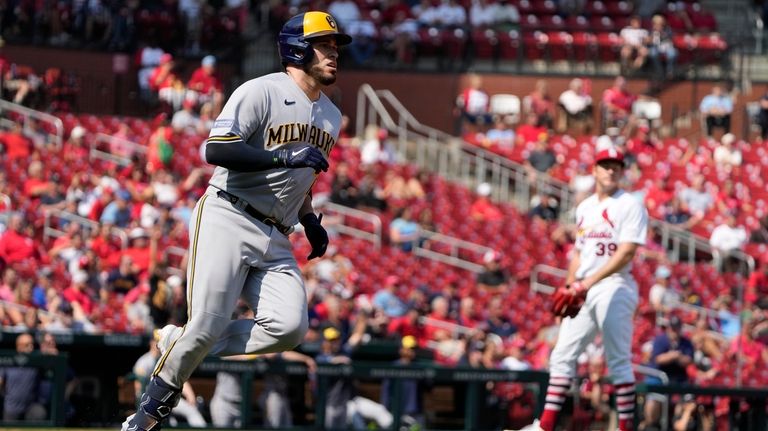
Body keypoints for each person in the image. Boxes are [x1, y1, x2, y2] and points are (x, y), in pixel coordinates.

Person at [120, 11, 351, 431]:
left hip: (277, 232)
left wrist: (309, 218)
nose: (334, 53)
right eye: (324, 45)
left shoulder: (331, 116)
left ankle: (180, 341)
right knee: (206, 324)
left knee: (290, 327)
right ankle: (146, 416)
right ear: (297, 48)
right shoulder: (260, 91)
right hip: (229, 213)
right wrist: (282, 155)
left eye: (335, 46)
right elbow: (218, 149)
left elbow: (302, 176)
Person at [513, 146, 648, 431]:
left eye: (616, 165)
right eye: (605, 165)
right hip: (584, 288)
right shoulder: (585, 207)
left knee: (618, 360)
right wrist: (569, 287)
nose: (610, 170)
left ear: (622, 171)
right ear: (595, 170)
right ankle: (545, 426)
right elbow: (578, 254)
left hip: (616, 285)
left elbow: (626, 253)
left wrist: (585, 283)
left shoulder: (630, 204)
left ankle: (625, 428)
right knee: (562, 354)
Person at [640, 315, 694, 431]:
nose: (674, 331)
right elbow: (658, 359)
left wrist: (676, 357)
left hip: (678, 379)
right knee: (653, 398)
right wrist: (673, 356)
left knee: (686, 400)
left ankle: (676, 422)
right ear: (669, 328)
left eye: (677, 328)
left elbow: (688, 360)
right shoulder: (661, 339)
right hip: (658, 377)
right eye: (672, 328)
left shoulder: (685, 342)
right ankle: (650, 423)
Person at [0, 333, 47, 421]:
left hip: (30, 407)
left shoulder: (36, 361)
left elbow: (49, 362)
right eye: (27, 345)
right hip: (12, 407)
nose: (31, 348)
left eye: (32, 344)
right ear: (18, 347)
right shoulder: (8, 362)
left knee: (40, 413)